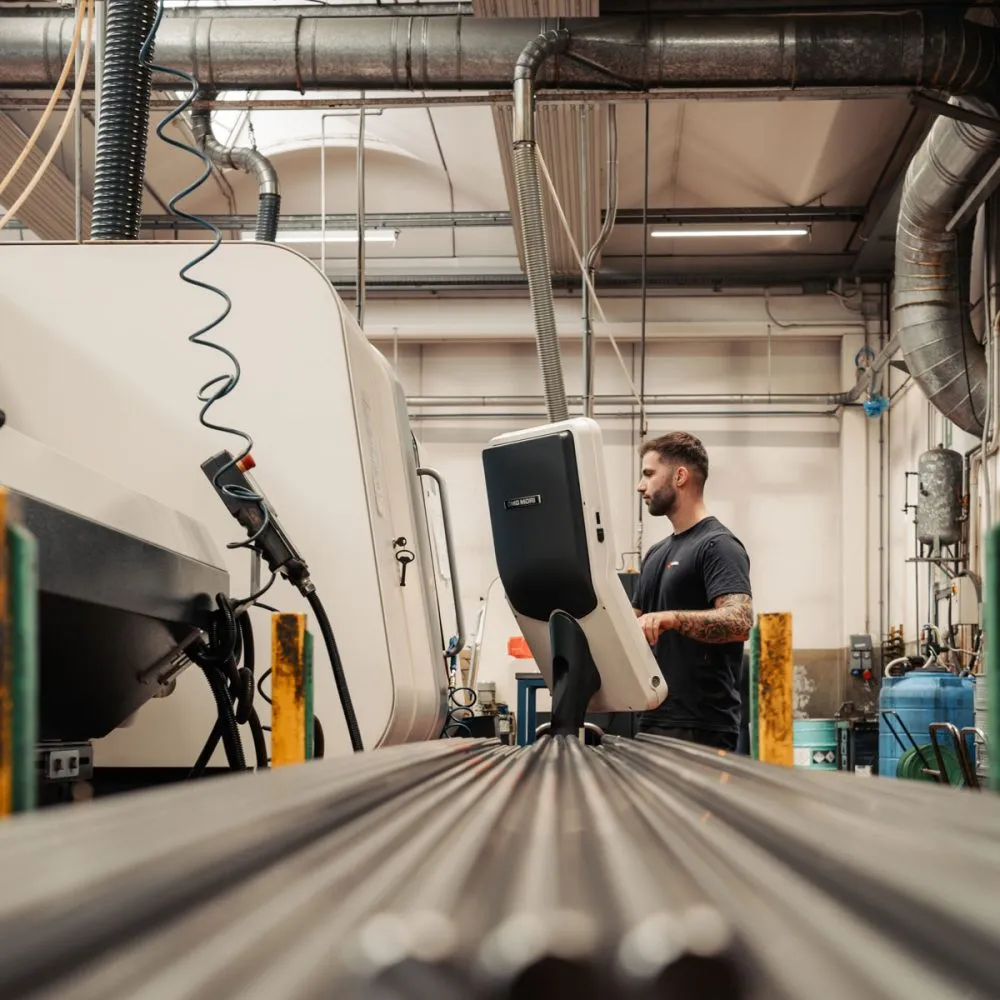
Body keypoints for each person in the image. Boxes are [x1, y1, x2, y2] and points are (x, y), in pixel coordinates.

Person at [632, 432, 753, 751]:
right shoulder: (655, 554)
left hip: (702, 726)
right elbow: (632, 627)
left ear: (680, 476)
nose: (640, 486)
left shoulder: (718, 546)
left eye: (648, 474)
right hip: (653, 717)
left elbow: (740, 621)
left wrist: (671, 618)